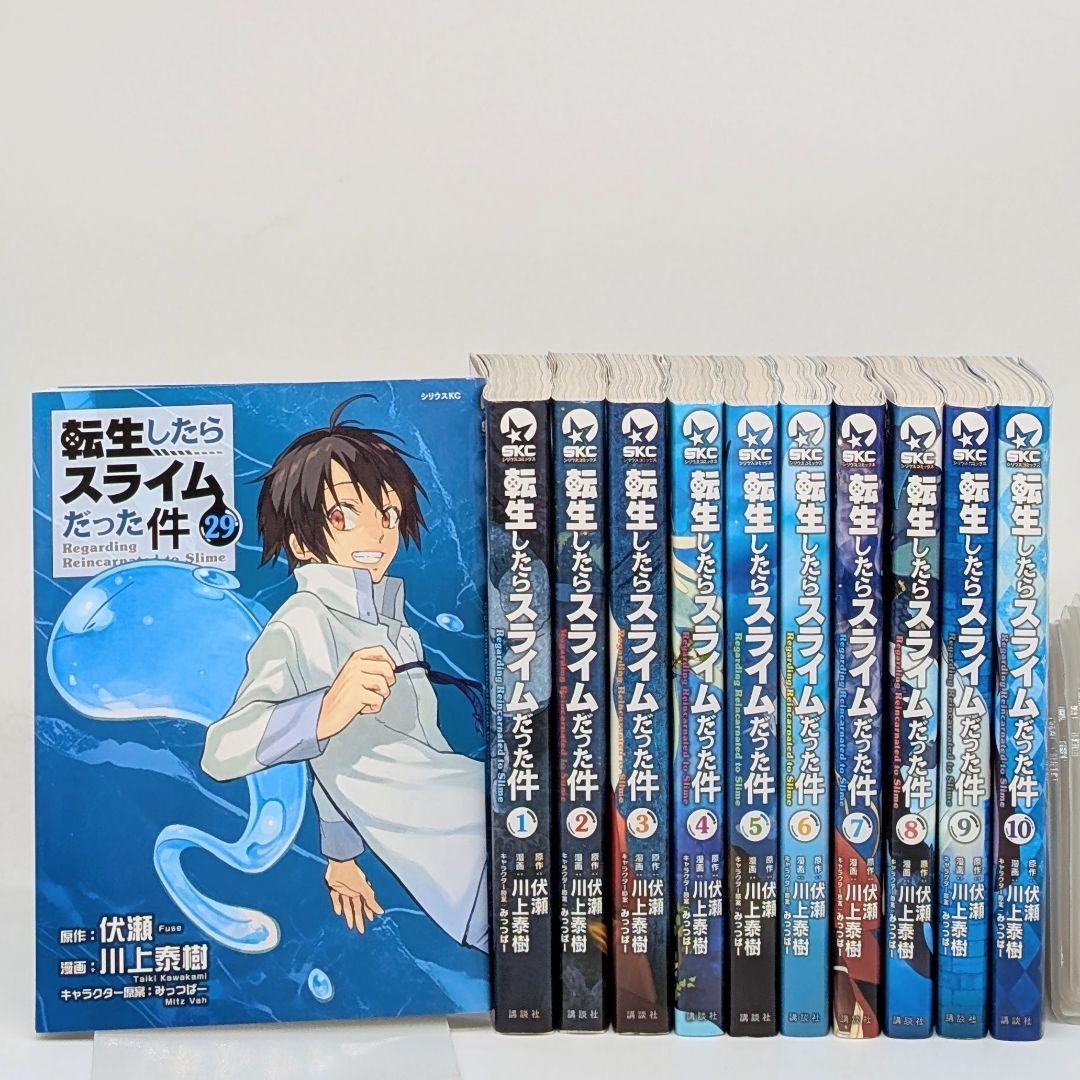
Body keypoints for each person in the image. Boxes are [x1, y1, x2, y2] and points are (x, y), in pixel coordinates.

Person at [201, 398, 488, 951]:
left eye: (389, 514)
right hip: (459, 861)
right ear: (301, 540)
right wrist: (324, 709)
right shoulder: (302, 620)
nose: (378, 533)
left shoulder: (395, 627)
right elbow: (220, 751)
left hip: (468, 828)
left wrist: (340, 854)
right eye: (344, 515)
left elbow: (343, 755)